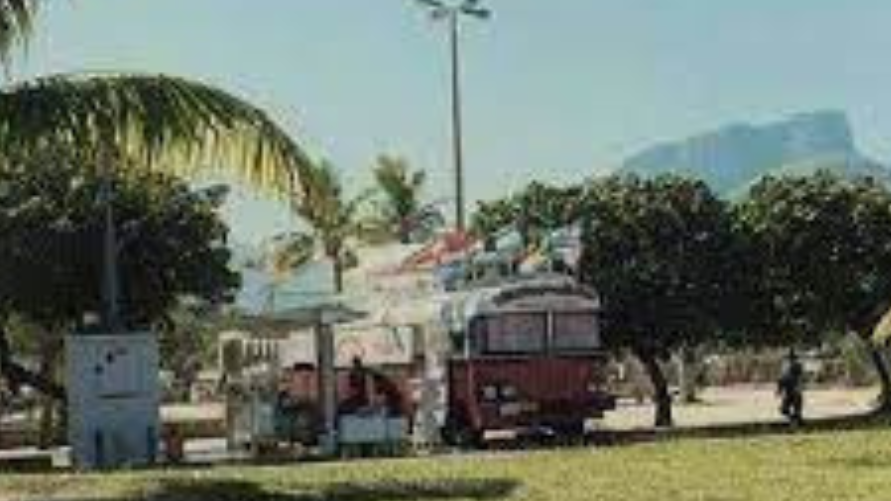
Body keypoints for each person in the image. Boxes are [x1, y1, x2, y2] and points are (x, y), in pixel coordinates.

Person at [777, 349, 805, 425]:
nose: (790, 360)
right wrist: (779, 389)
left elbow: (799, 378)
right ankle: (794, 420)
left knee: (795, 412)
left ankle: (796, 421)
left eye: (791, 358)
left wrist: (779, 389)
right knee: (784, 410)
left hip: (795, 392)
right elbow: (781, 379)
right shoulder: (786, 367)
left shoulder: (796, 366)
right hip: (790, 392)